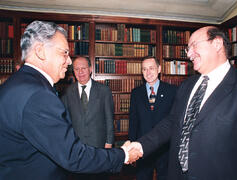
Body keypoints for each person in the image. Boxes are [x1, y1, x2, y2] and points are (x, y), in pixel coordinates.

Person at [0, 20, 141, 180]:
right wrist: (123, 155)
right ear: (40, 51)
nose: (68, 61)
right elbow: (73, 156)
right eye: (64, 53)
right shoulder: (39, 95)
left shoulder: (14, 84)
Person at [127, 26, 237, 180]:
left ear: (217, 43)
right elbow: (172, 122)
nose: (188, 54)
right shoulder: (186, 86)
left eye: (194, 45)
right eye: (188, 49)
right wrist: (141, 145)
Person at [61, 56, 114, 180]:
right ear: (73, 71)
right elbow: (65, 122)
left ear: (90, 69)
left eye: (83, 68)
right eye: (77, 69)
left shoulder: (104, 90)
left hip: (99, 148)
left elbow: (109, 120)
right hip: (76, 149)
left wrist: (109, 145)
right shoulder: (67, 92)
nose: (80, 72)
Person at [128, 56, 177, 180]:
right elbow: (133, 121)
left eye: (151, 68)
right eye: (144, 69)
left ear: (159, 69)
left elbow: (175, 120)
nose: (148, 72)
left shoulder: (172, 91)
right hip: (142, 147)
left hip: (165, 147)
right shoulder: (136, 93)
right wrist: (132, 145)